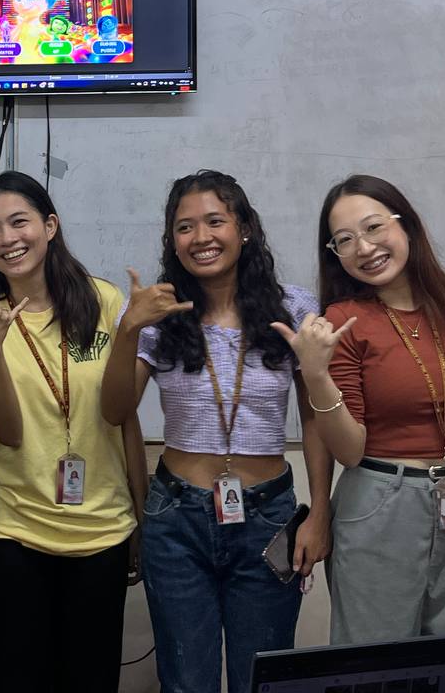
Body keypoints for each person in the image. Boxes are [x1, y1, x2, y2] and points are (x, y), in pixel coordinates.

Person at [100, 170, 333, 693]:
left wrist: (320, 511)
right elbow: (114, 411)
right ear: (172, 240)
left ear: (244, 227)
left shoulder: (294, 309)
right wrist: (130, 327)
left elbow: (316, 418)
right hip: (176, 515)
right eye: (185, 227)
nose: (200, 237)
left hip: (268, 515)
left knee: (261, 679)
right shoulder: (157, 313)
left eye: (214, 221)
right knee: (186, 682)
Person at [272, 173, 445, 644]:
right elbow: (349, 451)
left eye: (373, 227)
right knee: (375, 664)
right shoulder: (342, 321)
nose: (364, 248)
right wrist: (317, 375)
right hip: (380, 502)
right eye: (345, 240)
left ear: (405, 224)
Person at [0, 171, 146, 693]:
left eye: (20, 222)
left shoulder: (104, 300)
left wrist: (140, 517)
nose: (8, 239)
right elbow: (8, 433)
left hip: (102, 528)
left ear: (50, 226)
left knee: (91, 680)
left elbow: (123, 418)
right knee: (19, 678)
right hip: (15, 528)